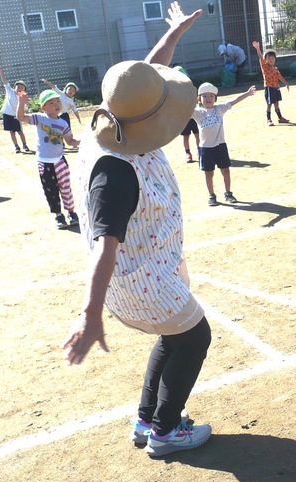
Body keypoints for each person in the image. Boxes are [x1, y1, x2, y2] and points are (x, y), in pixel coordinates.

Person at [62, 2, 213, 457]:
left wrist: (175, 33)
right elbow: (104, 245)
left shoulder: (111, 121)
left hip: (151, 266)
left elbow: (146, 76)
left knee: (177, 336)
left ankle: (148, 421)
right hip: (140, 278)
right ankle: (166, 432)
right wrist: (89, 314)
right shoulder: (116, 171)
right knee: (194, 336)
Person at [16, 89, 81, 228]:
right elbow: (21, 117)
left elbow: (70, 141)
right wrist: (21, 104)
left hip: (60, 161)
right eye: (50, 103)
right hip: (45, 163)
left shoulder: (63, 123)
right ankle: (58, 215)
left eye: (57, 101)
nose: (56, 104)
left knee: (66, 188)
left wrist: (83, 141)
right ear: (43, 107)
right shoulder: (40, 118)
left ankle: (71, 212)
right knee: (50, 190)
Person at [192, 82, 256, 206]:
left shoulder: (219, 109)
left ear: (215, 98)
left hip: (220, 146)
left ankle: (228, 193)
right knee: (208, 173)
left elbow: (234, 100)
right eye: (204, 96)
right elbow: (182, 107)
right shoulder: (198, 112)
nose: (208, 99)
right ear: (199, 99)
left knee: (225, 170)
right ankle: (211, 195)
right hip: (206, 148)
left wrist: (247, 94)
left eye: (211, 96)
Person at [252, 40, 290, 126]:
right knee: (269, 104)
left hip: (276, 88)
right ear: (266, 60)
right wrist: (258, 48)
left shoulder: (275, 69)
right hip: (269, 88)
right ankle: (268, 119)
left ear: (275, 59)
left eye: (272, 58)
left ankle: (280, 118)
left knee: (276, 104)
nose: (271, 60)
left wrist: (286, 84)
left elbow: (280, 77)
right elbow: (261, 57)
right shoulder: (264, 66)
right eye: (268, 58)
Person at [0, 66, 30, 153]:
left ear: (24, 90)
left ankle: (25, 145)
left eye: (22, 88)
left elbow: (26, 110)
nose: (19, 88)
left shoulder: (22, 98)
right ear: (14, 87)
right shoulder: (10, 91)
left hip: (16, 116)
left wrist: (28, 117)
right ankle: (16, 147)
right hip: (7, 115)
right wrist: (1, 72)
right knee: (11, 132)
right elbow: (5, 81)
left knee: (20, 131)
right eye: (18, 87)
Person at [173, 65, 200, 163]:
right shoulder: (174, 90)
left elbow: (197, 99)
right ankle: (188, 153)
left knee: (198, 134)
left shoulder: (191, 87)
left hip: (195, 114)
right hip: (184, 117)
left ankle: (200, 151)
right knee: (186, 136)